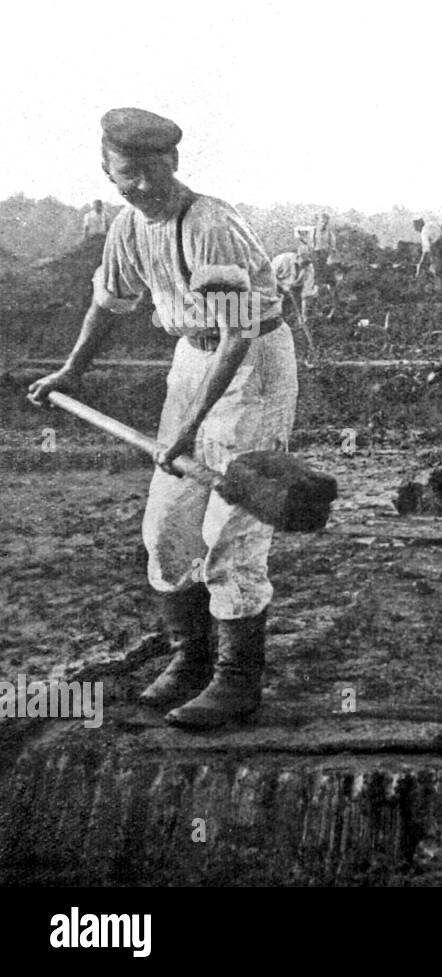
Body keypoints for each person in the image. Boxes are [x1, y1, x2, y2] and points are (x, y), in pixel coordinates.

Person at [28, 107, 297, 730]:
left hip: (252, 367)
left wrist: (186, 426)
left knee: (232, 524)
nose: (142, 185)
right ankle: (190, 657)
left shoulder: (210, 227)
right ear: (108, 172)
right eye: (128, 174)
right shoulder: (127, 227)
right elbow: (107, 305)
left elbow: (237, 336)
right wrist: (72, 373)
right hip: (191, 361)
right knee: (167, 527)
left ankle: (236, 681)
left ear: (174, 163)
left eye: (153, 170)